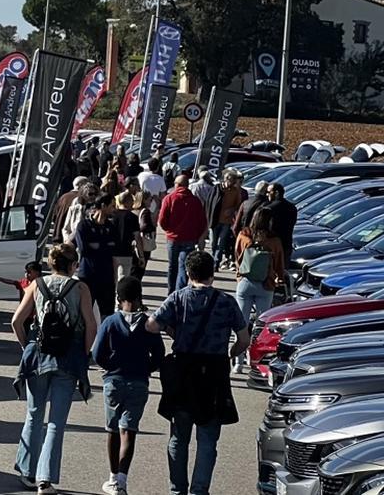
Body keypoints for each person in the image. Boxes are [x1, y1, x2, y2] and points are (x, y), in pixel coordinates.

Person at [147, 251, 251, 495]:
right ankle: (199, 490)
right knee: (207, 440)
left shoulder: (178, 298)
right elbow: (244, 339)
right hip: (214, 373)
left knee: (178, 437)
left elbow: (152, 325)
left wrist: (175, 332)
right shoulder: (226, 302)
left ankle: (177, 489)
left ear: (188, 273)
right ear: (212, 274)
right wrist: (231, 353)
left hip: (183, 372)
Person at [12, 243, 95, 494]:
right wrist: (85, 353)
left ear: (51, 263)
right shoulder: (80, 288)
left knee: (34, 414)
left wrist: (27, 346)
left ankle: (27, 471)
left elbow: (16, 320)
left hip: (38, 355)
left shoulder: (37, 285)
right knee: (57, 422)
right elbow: (91, 325)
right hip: (68, 358)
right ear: (72, 265)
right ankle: (45, 479)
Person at [91, 276, 165, 495]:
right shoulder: (148, 323)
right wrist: (147, 368)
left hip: (114, 380)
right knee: (129, 430)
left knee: (112, 429)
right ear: (139, 297)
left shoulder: (111, 322)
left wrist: (109, 366)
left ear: (118, 297)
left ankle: (112, 477)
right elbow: (159, 354)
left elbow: (97, 353)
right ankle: (123, 480)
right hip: (139, 382)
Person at [232, 209, 287, 371]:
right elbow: (279, 263)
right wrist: (279, 277)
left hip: (245, 282)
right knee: (262, 326)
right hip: (265, 285)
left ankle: (238, 362)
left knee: (241, 323)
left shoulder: (244, 236)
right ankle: (257, 361)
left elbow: (237, 255)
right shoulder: (274, 241)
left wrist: (239, 275)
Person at [158, 174, 208, 293]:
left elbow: (162, 220)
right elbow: (202, 221)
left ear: (177, 185)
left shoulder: (169, 198)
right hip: (190, 238)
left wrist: (169, 230)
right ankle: (179, 291)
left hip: (173, 238)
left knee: (172, 266)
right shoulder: (196, 201)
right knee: (184, 267)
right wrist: (199, 236)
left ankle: (171, 292)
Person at [75, 192, 119, 317]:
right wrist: (104, 247)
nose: (113, 209)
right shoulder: (84, 226)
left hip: (107, 277)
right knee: (84, 312)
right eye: (111, 206)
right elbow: (84, 250)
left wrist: (97, 246)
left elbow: (114, 250)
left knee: (107, 312)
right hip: (88, 276)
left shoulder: (111, 227)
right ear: (103, 206)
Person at [211, 170, 246, 269]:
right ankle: (213, 258)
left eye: (233, 180)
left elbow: (239, 205)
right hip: (215, 219)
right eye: (230, 180)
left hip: (226, 221)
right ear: (225, 179)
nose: (232, 182)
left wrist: (232, 210)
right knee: (213, 242)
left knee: (221, 242)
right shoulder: (218, 189)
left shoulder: (236, 191)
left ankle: (216, 262)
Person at [113, 188, 142, 283]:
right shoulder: (132, 217)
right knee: (123, 279)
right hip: (126, 252)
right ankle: (120, 297)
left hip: (112, 251)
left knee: (113, 279)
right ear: (128, 201)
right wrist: (141, 256)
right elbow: (137, 237)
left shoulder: (112, 215)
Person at [265, 182, 299, 261]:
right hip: (286, 243)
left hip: (272, 244)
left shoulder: (269, 208)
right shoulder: (292, 207)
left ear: (276, 193)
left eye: (269, 192)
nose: (267, 195)